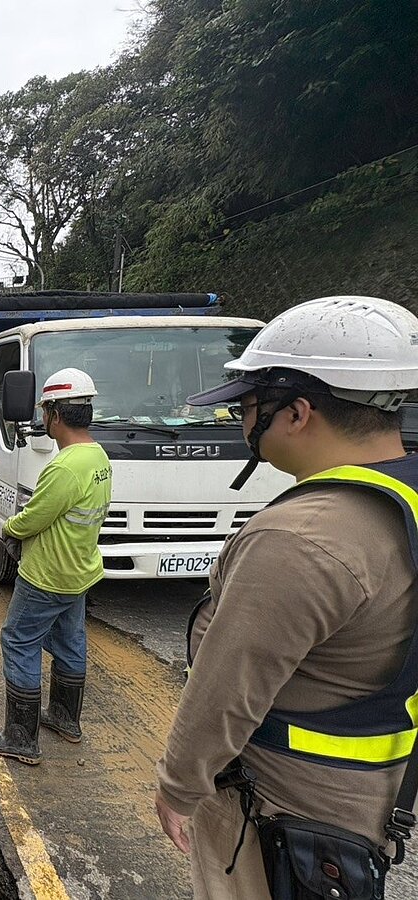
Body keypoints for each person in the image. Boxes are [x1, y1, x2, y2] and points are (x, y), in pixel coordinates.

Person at [155, 296, 418, 900]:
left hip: (279, 806)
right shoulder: (400, 500)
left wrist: (178, 787)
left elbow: (228, 687)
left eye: (249, 407)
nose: (242, 422)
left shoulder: (300, 539)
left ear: (297, 412)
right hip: (371, 793)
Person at [0, 368, 112, 766]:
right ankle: (66, 720)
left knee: (19, 640)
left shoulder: (65, 467)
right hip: (79, 571)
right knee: (71, 641)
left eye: (45, 413)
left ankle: (20, 738)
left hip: (47, 574)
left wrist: (10, 528)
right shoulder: (98, 458)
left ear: (54, 414)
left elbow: (34, 517)